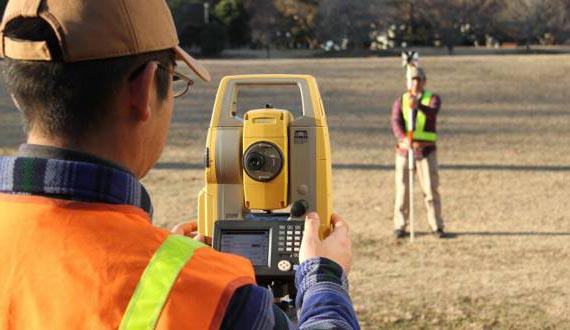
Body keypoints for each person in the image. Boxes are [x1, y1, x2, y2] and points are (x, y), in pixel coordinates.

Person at [0, 0, 359, 329]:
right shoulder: (216, 298)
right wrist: (323, 280)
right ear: (142, 91)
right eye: (174, 80)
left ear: (18, 94)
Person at [390, 66, 445, 239]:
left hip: (426, 151)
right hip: (406, 151)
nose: (416, 83)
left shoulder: (432, 99)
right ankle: (400, 225)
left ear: (424, 81)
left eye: (419, 79)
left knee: (430, 190)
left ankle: (436, 225)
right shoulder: (401, 100)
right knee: (403, 190)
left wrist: (418, 105)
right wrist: (404, 138)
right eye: (413, 79)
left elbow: (432, 113)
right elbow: (396, 121)